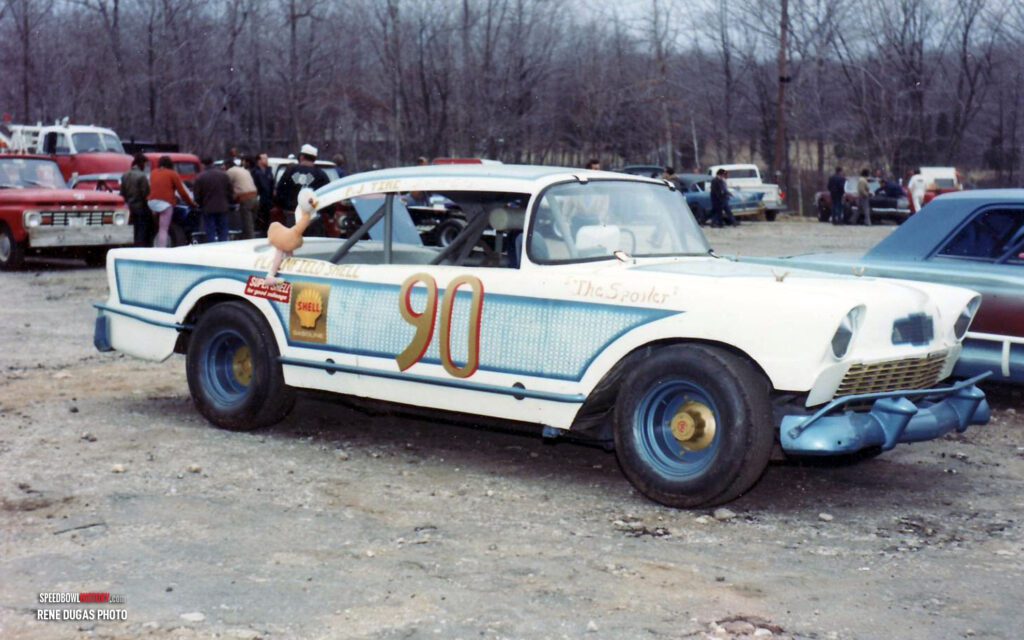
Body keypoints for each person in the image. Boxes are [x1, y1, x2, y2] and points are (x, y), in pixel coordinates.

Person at [275, 144, 330, 234]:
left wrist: (283, 206)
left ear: (302, 157)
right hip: (312, 216)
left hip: (292, 214)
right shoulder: (320, 174)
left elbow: (280, 190)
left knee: (293, 242)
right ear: (314, 158)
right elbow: (327, 195)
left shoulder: (290, 171)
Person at [148, 155, 195, 247]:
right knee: (163, 229)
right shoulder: (172, 174)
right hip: (165, 203)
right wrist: (191, 203)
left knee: (157, 228)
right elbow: (182, 192)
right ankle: (161, 250)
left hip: (152, 203)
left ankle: (156, 245)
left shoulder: (153, 173)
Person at [194, 157, 234, 243]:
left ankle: (212, 249)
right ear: (212, 163)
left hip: (208, 208)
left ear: (203, 165)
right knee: (223, 230)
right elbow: (230, 191)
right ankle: (224, 246)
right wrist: (229, 201)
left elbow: (197, 195)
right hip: (223, 206)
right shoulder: (224, 175)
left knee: (210, 231)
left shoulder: (200, 177)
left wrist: (200, 204)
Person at [120, 153, 151, 247]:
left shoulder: (125, 175)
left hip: (129, 208)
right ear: (141, 163)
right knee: (141, 231)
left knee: (131, 231)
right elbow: (146, 193)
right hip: (140, 207)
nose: (145, 167)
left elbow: (122, 193)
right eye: (145, 164)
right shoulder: (142, 176)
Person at [227, 158, 258, 239]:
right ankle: (247, 237)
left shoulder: (230, 171)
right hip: (255, 197)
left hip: (245, 198)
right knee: (251, 223)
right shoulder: (244, 170)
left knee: (248, 225)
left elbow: (225, 184)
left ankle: (250, 242)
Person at [251, 153, 274, 235]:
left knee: (267, 220)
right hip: (259, 199)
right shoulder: (254, 172)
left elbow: (272, 184)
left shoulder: (269, 171)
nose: (266, 160)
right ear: (259, 161)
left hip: (268, 200)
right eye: (264, 158)